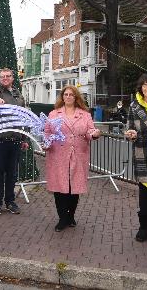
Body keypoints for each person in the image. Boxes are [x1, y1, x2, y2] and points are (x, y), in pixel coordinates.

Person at [44, 85, 100, 231]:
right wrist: (46, 143)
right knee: (60, 187)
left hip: (78, 155)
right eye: (66, 94)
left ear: (76, 98)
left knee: (73, 187)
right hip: (58, 155)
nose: (68, 97)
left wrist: (94, 133)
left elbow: (90, 130)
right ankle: (62, 218)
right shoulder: (54, 114)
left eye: (71, 95)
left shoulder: (85, 115)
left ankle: (71, 216)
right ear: (62, 97)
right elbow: (47, 133)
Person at [125, 73, 147, 242]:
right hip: (144, 154)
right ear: (141, 88)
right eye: (145, 85)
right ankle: (144, 228)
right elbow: (129, 128)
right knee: (145, 198)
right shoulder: (134, 106)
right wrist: (130, 134)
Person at [0, 68, 28, 215]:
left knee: (12, 173)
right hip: (0, 140)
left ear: (12, 78)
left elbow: (23, 118)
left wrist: (24, 138)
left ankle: (10, 201)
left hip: (16, 140)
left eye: (8, 76)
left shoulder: (19, 95)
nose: (5, 78)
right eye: (2, 77)